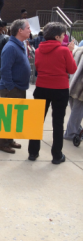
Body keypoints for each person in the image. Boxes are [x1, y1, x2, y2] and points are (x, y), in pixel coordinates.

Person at [28, 23, 76, 164]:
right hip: (60, 89)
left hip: (42, 87)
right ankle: (56, 155)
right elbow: (72, 69)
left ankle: (33, 152)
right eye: (62, 36)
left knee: (37, 121)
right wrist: (71, 51)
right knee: (58, 123)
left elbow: (37, 67)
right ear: (57, 36)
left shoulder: (38, 50)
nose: (63, 38)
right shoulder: (64, 51)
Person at [0, 19, 32, 154]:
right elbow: (5, 69)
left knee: (14, 117)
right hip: (11, 88)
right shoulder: (11, 47)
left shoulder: (20, 45)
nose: (30, 30)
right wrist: (11, 87)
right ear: (20, 30)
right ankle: (2, 143)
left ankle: (9, 139)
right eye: (28, 28)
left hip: (19, 87)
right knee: (7, 117)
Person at [65, 46, 83, 141]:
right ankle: (71, 133)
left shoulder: (78, 50)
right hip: (80, 87)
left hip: (72, 84)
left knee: (75, 110)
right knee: (77, 111)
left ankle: (75, 130)